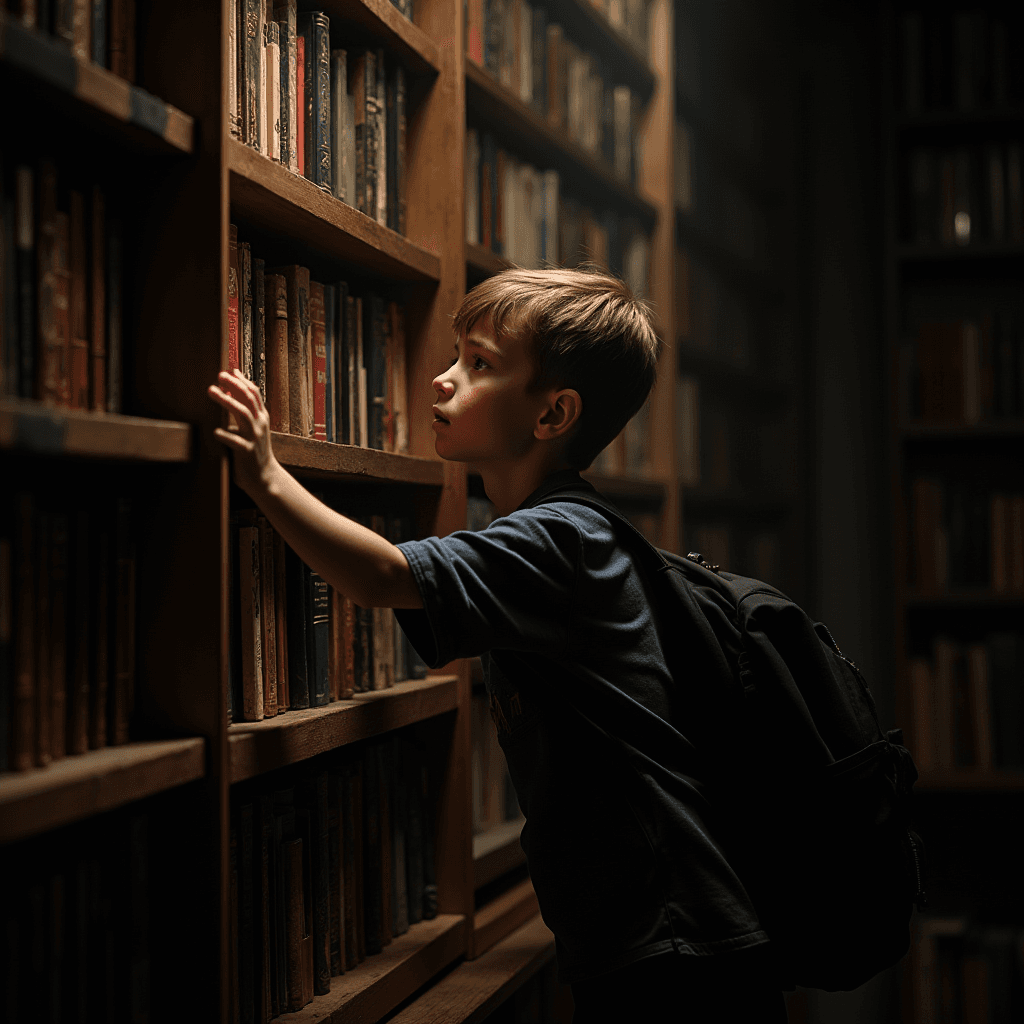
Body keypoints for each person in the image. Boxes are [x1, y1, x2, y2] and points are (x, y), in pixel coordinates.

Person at [208, 266, 789, 1022]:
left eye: (478, 364)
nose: (443, 381)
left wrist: (264, 474)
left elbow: (389, 575)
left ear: (553, 415)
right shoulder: (567, 529)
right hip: (666, 932)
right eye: (455, 357)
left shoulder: (561, 537)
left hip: (676, 944)